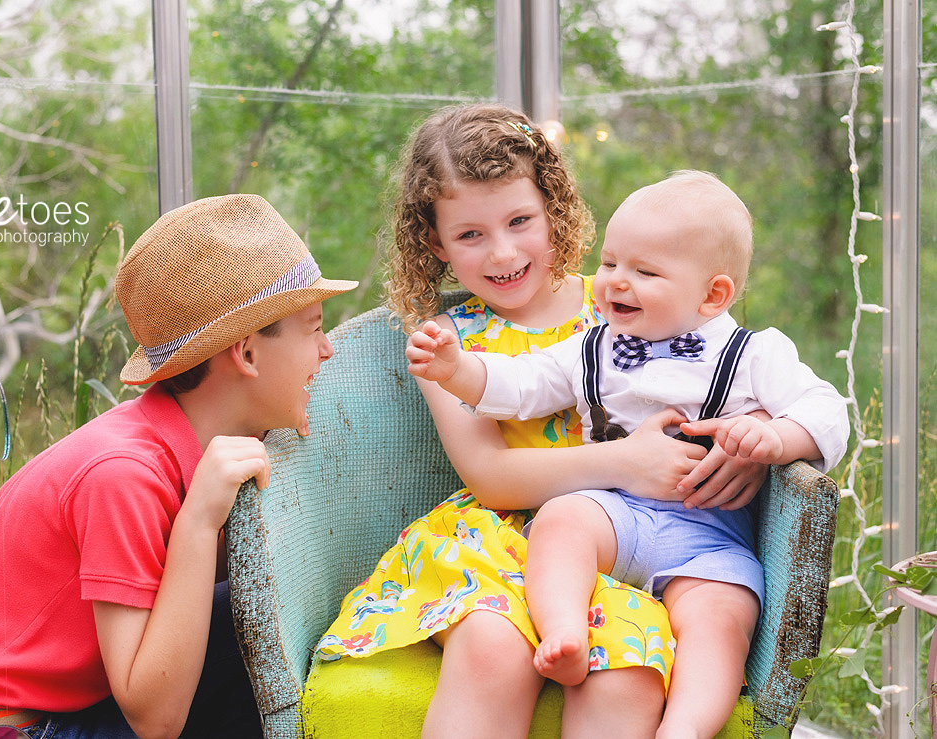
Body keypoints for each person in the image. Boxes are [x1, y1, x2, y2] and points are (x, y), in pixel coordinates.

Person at [316, 104, 768, 739]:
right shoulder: (447, 345)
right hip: (497, 539)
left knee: (627, 672)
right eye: (469, 234)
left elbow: (732, 367)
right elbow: (493, 476)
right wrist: (625, 463)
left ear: (553, 210)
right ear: (435, 242)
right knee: (494, 646)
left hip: (621, 545)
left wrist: (749, 444)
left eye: (520, 221)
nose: (502, 252)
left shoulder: (623, 300)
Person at [0, 194, 357, 739]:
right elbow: (155, 720)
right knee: (237, 647)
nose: (327, 350)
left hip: (64, 709)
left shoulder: (187, 445)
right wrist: (200, 520)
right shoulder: (124, 473)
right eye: (314, 327)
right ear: (248, 354)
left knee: (253, 620)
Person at [406, 169, 849, 738]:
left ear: (713, 294)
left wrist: (775, 438)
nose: (615, 282)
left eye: (643, 271)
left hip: (708, 532)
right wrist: (458, 370)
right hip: (615, 513)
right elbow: (519, 385)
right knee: (563, 520)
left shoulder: (754, 353)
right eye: (611, 263)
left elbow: (827, 409)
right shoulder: (592, 345)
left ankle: (685, 728)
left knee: (721, 617)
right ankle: (563, 629)